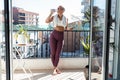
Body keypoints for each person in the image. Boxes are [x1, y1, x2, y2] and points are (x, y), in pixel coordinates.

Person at [45, 5, 72, 75]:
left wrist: (69, 29)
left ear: (63, 10)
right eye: (58, 9)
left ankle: (55, 68)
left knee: (58, 54)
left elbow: (65, 28)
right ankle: (55, 69)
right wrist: (50, 13)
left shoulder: (66, 18)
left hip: (61, 36)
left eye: (61, 9)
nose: (59, 10)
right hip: (53, 35)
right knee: (53, 53)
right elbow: (46, 21)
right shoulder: (54, 17)